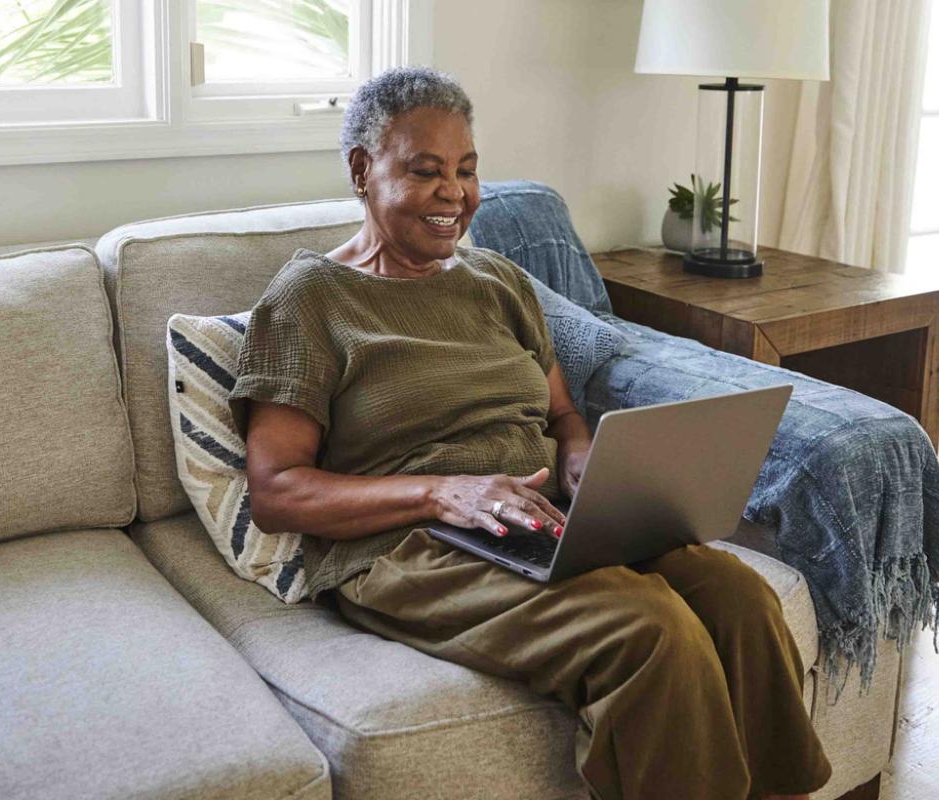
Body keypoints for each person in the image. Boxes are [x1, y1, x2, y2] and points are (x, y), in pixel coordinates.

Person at [228, 66, 832, 800]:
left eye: (467, 170)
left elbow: (562, 415)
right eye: (425, 171)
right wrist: (444, 492)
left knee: (740, 597)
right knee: (647, 628)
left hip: (546, 520)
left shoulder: (496, 281)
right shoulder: (308, 300)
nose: (454, 193)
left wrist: (581, 456)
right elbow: (277, 493)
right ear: (362, 170)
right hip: (410, 547)